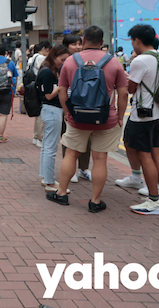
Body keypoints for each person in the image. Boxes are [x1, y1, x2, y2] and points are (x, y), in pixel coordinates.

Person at [49, 26, 128, 213]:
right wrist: (120, 116)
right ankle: (95, 201)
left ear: (83, 41)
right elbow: (123, 94)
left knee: (71, 154)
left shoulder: (70, 62)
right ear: (102, 42)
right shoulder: (114, 62)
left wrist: (69, 112)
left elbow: (62, 91)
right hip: (106, 117)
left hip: (78, 117)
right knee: (100, 159)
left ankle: (61, 194)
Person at [121, 24, 159, 216]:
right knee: (156, 154)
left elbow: (131, 89)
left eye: (133, 41)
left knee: (145, 155)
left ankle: (153, 201)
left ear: (137, 40)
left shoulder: (140, 60)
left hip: (144, 115)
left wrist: (127, 78)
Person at [37, 44, 70, 192]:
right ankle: (50, 181)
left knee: (47, 146)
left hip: (49, 111)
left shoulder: (46, 69)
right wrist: (62, 84)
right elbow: (49, 95)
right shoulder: (48, 73)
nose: (63, 63)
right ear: (54, 56)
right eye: (62, 59)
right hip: (52, 110)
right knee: (50, 147)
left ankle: (46, 176)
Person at [61, 34, 88, 183]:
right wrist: (66, 109)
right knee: (69, 138)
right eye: (74, 44)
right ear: (67, 46)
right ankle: (71, 170)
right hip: (69, 103)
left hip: (85, 102)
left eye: (79, 43)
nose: (77, 47)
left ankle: (83, 168)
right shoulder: (65, 61)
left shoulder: (84, 59)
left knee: (87, 137)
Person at [27, 41, 51, 147]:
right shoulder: (41, 58)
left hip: (33, 86)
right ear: (45, 49)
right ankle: (39, 137)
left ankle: (36, 136)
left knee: (38, 113)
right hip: (40, 86)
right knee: (41, 114)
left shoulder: (32, 57)